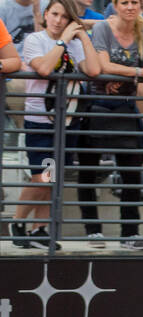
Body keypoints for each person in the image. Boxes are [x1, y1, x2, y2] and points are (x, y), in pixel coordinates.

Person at [11, 0, 100, 250]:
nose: (59, 20)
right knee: (42, 177)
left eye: (64, 16)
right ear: (46, 15)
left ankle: (39, 229)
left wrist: (82, 37)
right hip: (40, 122)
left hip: (69, 121)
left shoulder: (75, 43)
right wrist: (62, 43)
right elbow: (44, 68)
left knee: (52, 177)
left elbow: (93, 70)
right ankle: (17, 223)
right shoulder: (35, 40)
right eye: (55, 14)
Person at [82, 0, 143, 251]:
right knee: (89, 171)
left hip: (126, 109)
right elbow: (103, 65)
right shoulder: (102, 29)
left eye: (135, 2)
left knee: (131, 172)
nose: (130, 7)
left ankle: (130, 233)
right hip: (96, 106)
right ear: (115, 6)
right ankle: (93, 231)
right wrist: (140, 72)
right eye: (125, 2)